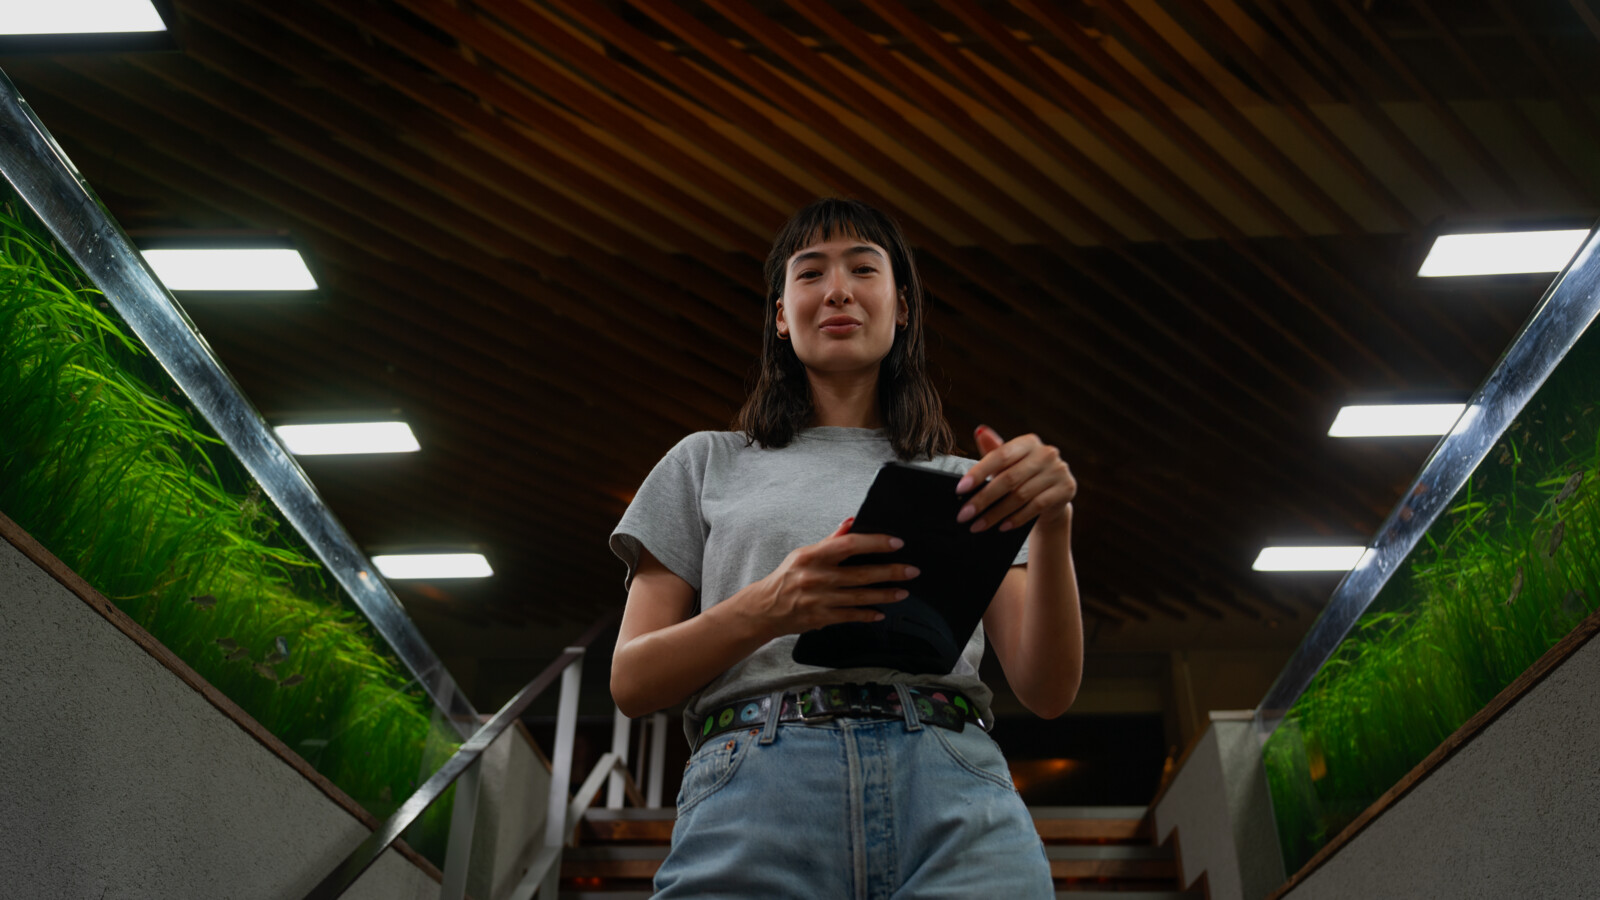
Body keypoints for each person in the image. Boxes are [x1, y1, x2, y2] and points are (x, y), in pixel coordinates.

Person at [609, 197, 1083, 898]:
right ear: (780, 316)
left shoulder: (966, 481)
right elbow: (631, 681)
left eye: (863, 269)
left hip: (952, 789)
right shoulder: (704, 463)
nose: (837, 290)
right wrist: (770, 607)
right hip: (755, 789)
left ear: (902, 307)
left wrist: (1053, 525)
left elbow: (1047, 690)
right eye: (810, 273)